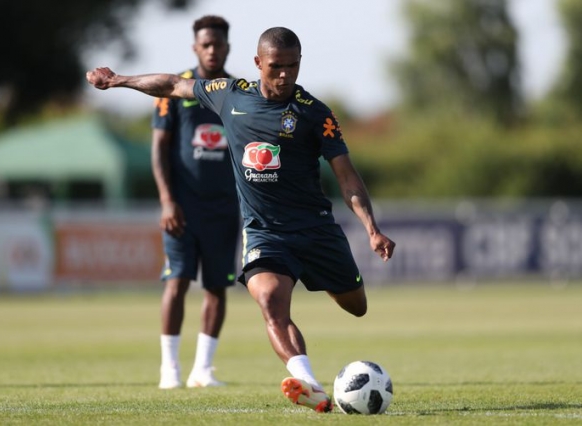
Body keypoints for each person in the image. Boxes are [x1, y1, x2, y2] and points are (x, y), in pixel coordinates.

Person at [87, 26, 395, 413]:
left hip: (315, 230)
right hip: (264, 232)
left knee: (356, 305)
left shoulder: (316, 114)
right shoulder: (229, 94)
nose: (284, 75)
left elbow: (346, 175)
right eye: (275, 67)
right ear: (257, 63)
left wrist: (371, 228)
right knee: (269, 299)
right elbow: (170, 84)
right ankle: (308, 381)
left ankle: (326, 294)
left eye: (292, 66)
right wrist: (118, 80)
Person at [150, 16, 240, 389]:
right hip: (183, 208)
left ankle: (202, 369)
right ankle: (168, 368)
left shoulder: (238, 91)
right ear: (195, 48)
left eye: (218, 44)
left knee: (217, 287)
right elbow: (159, 148)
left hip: (225, 209)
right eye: (206, 44)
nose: (212, 50)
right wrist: (168, 201)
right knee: (178, 281)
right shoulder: (174, 89)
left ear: (227, 47)